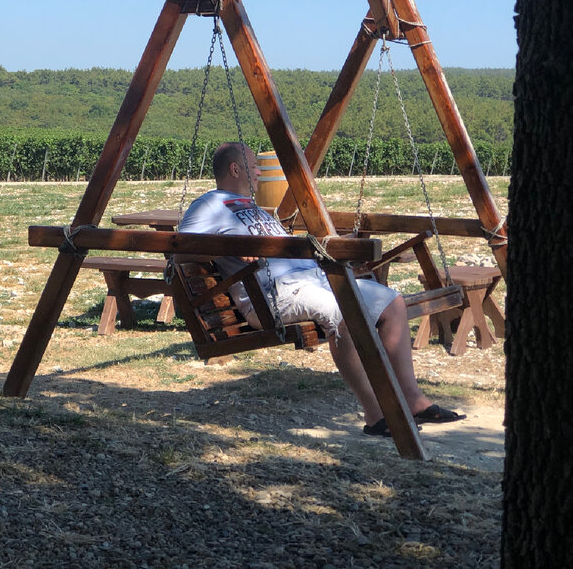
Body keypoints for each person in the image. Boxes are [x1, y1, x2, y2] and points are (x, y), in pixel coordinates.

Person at [178, 142, 466, 436]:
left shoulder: (252, 207)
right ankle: (376, 415)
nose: (259, 171)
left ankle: (412, 398)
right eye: (254, 166)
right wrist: (231, 248)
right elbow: (180, 248)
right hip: (274, 295)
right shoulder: (208, 204)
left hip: (314, 280)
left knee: (392, 302)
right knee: (343, 314)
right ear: (235, 169)